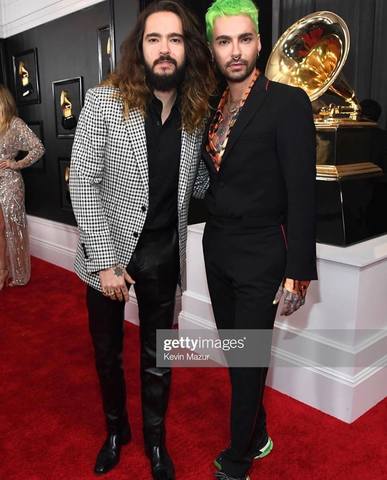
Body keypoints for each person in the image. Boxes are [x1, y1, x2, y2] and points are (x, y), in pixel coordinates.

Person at [69, 1, 214, 478]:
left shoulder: (195, 112)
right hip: (109, 248)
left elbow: (194, 187)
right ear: (141, 48)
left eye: (175, 40)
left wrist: (223, 157)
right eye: (155, 39)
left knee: (159, 357)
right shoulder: (104, 101)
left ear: (187, 50)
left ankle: (156, 440)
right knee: (107, 352)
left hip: (163, 253)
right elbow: (82, 181)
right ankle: (116, 430)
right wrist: (106, 263)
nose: (165, 50)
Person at [198, 1, 317, 479]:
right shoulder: (211, 108)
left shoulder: (287, 102)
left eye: (244, 39)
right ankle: (259, 433)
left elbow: (302, 193)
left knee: (248, 363)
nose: (235, 51)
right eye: (224, 41)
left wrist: (298, 270)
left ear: (259, 42)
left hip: (263, 252)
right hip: (217, 248)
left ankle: (238, 459)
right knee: (237, 353)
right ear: (212, 49)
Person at [0, 84, 45, 291]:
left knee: (12, 227)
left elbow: (38, 148)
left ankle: (17, 272)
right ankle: (2, 270)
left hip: (10, 182)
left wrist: (15, 164)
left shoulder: (14, 124)